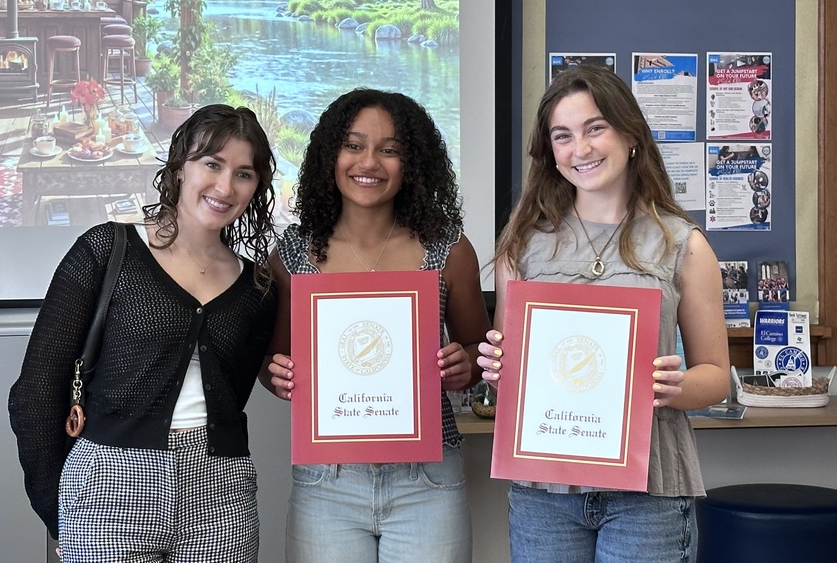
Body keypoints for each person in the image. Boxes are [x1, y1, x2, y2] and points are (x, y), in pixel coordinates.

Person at [478, 65, 729, 563]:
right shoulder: (522, 246)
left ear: (630, 134)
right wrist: (497, 370)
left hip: (650, 492)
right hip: (543, 492)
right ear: (550, 151)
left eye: (596, 128)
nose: (582, 149)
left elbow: (716, 377)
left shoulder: (685, 245)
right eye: (563, 136)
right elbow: (513, 381)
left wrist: (677, 388)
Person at [8, 104, 279, 563]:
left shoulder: (258, 288)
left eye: (244, 173)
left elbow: (232, 398)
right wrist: (61, 511)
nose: (225, 186)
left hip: (223, 493)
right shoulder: (107, 249)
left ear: (256, 187)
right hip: (107, 485)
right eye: (211, 164)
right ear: (179, 168)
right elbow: (35, 392)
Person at [262, 88, 491, 563]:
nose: (369, 161)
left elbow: (479, 352)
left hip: (428, 478)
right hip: (328, 478)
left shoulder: (448, 250)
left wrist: (464, 364)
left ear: (413, 164)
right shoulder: (292, 255)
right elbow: (272, 361)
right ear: (330, 153)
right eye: (354, 144)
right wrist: (277, 374)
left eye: (390, 150)